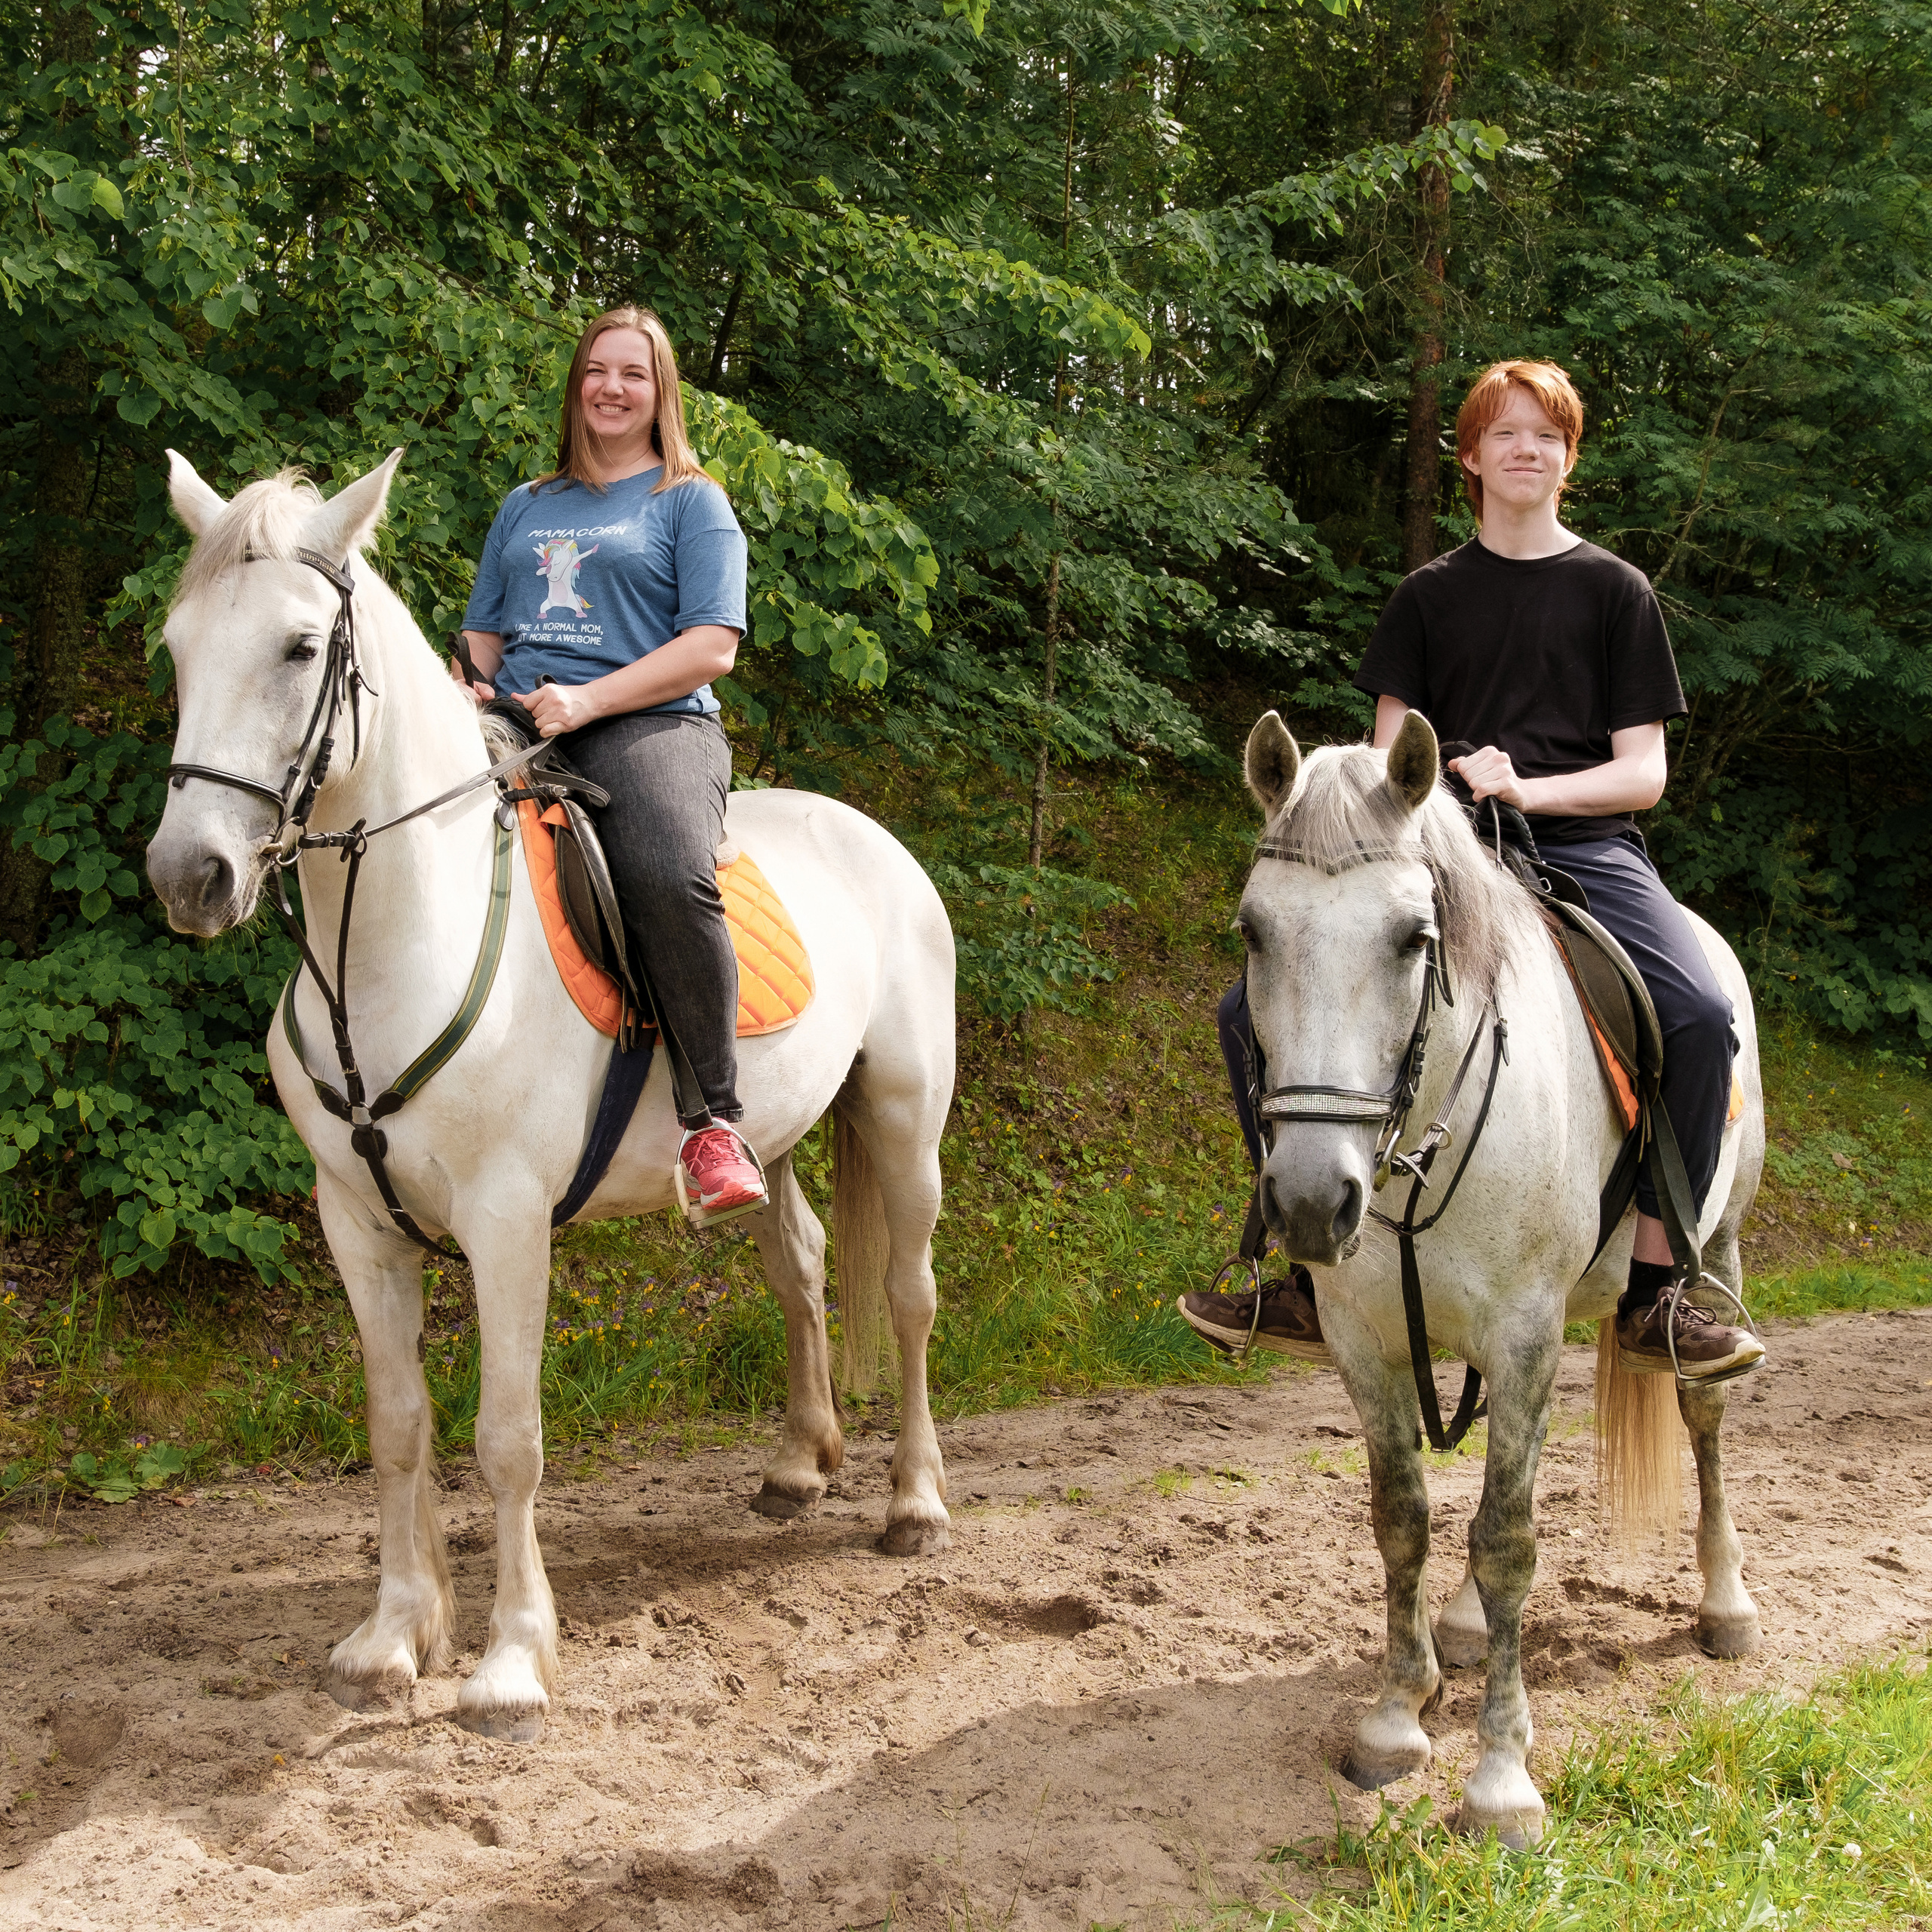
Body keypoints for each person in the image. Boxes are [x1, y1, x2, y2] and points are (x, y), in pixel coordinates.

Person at [1180, 358, 1762, 1381]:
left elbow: (1644, 772)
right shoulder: (1427, 598)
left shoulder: (1615, 592)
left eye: (1546, 434)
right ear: (1472, 459)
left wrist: (1530, 789)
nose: (1525, 449)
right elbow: (1383, 766)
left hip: (1586, 851)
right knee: (1243, 1013)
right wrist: (1438, 795)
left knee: (1703, 1016)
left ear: (1568, 458)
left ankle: (1658, 1291)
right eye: (1505, 433)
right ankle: (1300, 1263)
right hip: (1438, 851)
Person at [454, 303, 768, 1225]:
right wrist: (474, 689)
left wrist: (591, 699)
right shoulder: (526, 503)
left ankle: (713, 1121)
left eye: (632, 373)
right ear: (577, 383)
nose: (612, 388)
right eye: (598, 369)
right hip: (519, 722)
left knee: (668, 872)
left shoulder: (690, 499)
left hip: (651, 725)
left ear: (660, 390)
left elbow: (713, 645)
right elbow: (485, 628)